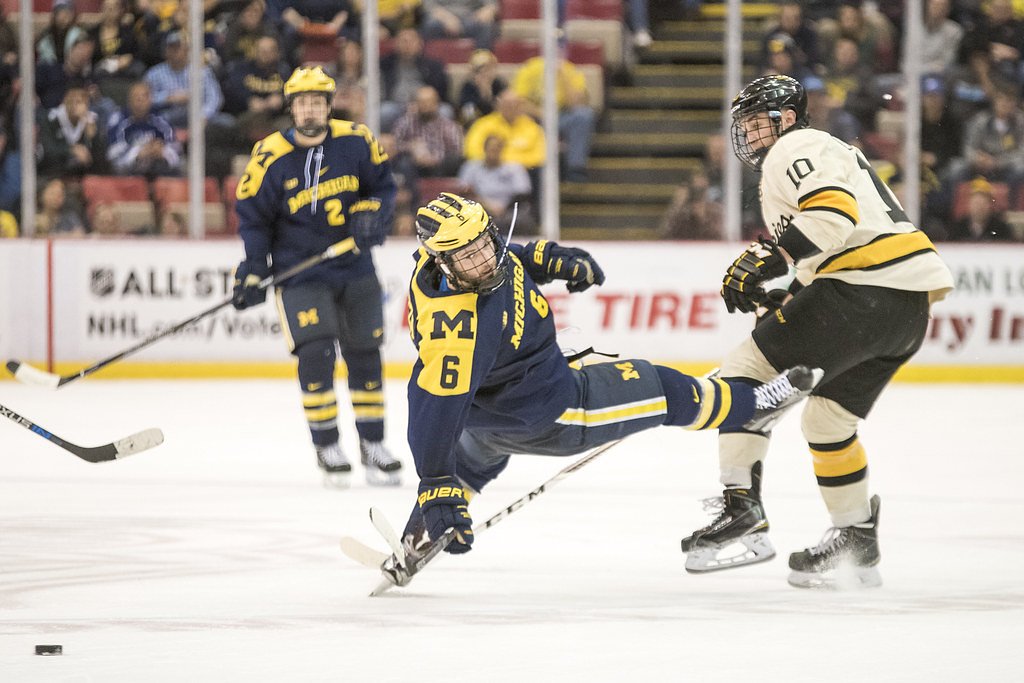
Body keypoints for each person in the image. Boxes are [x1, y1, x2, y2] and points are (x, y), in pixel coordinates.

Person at [392, 191, 823, 564]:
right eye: (468, 256)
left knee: (472, 460)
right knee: (666, 389)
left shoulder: (444, 266)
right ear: (443, 260)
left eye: (485, 242)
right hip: (554, 411)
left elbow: (506, 260)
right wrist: (434, 483)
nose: (484, 260)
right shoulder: (456, 331)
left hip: (495, 418)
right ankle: (751, 408)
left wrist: (546, 259)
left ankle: (417, 539)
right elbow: (434, 407)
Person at [679, 75, 955, 589]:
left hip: (862, 291)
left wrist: (772, 257)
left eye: (756, 121)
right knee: (828, 423)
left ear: (785, 118)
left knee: (744, 371)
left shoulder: (795, 146)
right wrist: (787, 291)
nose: (748, 132)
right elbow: (835, 240)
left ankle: (742, 511)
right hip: (905, 309)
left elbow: (834, 215)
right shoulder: (824, 149)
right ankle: (856, 535)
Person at [231, 66, 403, 488]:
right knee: (317, 353)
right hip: (300, 273)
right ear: (292, 108)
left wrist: (373, 214)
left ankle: (374, 444)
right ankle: (327, 444)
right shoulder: (269, 155)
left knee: (366, 354)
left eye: (318, 101)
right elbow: (253, 218)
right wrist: (255, 266)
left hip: (354, 265)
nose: (311, 109)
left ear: (329, 105)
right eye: (303, 102)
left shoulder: (357, 139)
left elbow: (384, 188)